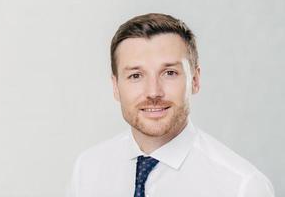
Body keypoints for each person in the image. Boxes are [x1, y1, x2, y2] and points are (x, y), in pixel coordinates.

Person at [66, 13, 275, 197]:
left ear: (195, 80)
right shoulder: (87, 168)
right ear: (115, 86)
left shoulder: (242, 187)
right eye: (136, 75)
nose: (153, 92)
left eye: (170, 73)